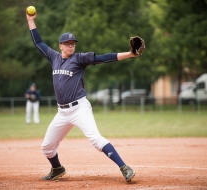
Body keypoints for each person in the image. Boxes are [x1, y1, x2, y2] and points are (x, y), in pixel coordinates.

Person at [26, 9, 141, 182]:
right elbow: (38, 43)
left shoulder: (79, 59)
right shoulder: (54, 57)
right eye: (68, 43)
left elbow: (103, 58)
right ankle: (57, 168)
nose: (71, 45)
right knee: (47, 147)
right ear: (60, 45)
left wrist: (130, 54)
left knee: (95, 139)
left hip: (79, 108)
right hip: (62, 112)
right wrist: (31, 20)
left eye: (73, 43)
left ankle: (124, 168)